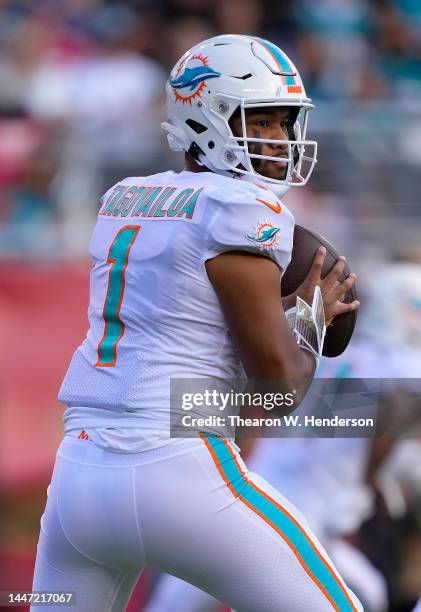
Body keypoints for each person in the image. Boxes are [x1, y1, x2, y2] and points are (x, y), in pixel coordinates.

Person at [31, 34, 361, 611]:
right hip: (177, 471)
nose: (280, 140)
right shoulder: (239, 208)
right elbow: (277, 392)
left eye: (285, 123)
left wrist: (278, 317)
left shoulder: (125, 198)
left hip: (78, 480)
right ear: (207, 116)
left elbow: (185, 321)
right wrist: (307, 319)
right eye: (261, 122)